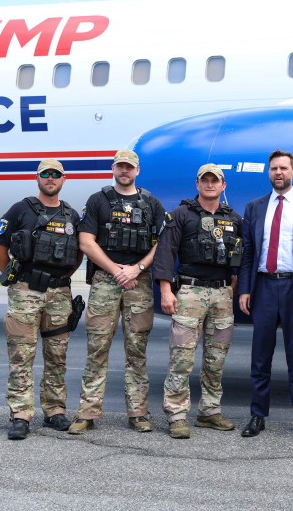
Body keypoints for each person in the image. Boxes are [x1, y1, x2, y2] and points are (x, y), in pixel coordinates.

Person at [68, 149, 166, 435]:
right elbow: (86, 242)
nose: (125, 171)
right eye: (120, 166)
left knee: (137, 351)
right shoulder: (97, 200)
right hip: (105, 281)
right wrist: (116, 270)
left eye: (129, 167)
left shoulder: (151, 203)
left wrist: (136, 269)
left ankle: (138, 413)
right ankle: (87, 412)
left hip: (139, 282)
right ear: (113, 168)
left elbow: (162, 243)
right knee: (96, 349)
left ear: (137, 171)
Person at [0, 159, 83, 440]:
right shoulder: (20, 209)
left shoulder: (71, 215)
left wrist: (60, 278)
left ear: (63, 179)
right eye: (46, 174)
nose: (51, 178)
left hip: (59, 294)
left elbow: (78, 254)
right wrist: (18, 277)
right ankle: (20, 415)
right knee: (21, 355)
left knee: (57, 356)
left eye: (56, 174)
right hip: (26, 292)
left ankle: (54, 411)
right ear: (37, 178)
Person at [237, 150, 293, 438]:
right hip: (263, 287)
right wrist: (245, 289)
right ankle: (257, 416)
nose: (278, 173)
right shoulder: (255, 207)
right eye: (274, 168)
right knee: (260, 358)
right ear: (268, 172)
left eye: (283, 168)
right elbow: (249, 252)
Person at [151, 164, 242, 439]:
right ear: (198, 184)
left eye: (216, 181)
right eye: (206, 180)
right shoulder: (181, 214)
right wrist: (166, 291)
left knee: (216, 358)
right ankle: (177, 415)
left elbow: (241, 257)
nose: (210, 184)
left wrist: (233, 286)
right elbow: (166, 252)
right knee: (182, 357)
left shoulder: (234, 218)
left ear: (223, 186)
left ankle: (210, 412)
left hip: (222, 295)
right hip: (190, 293)